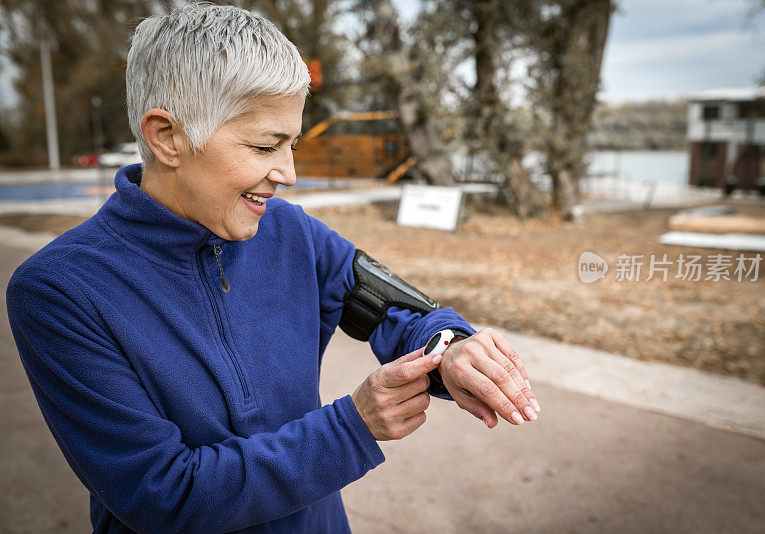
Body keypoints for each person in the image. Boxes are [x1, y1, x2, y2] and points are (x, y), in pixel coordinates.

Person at [6, 3, 541, 533]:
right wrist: (350, 427)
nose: (287, 172)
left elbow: (399, 312)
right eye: (265, 146)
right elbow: (163, 496)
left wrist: (453, 348)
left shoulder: (290, 231)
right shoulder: (59, 291)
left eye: (292, 144)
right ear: (167, 136)